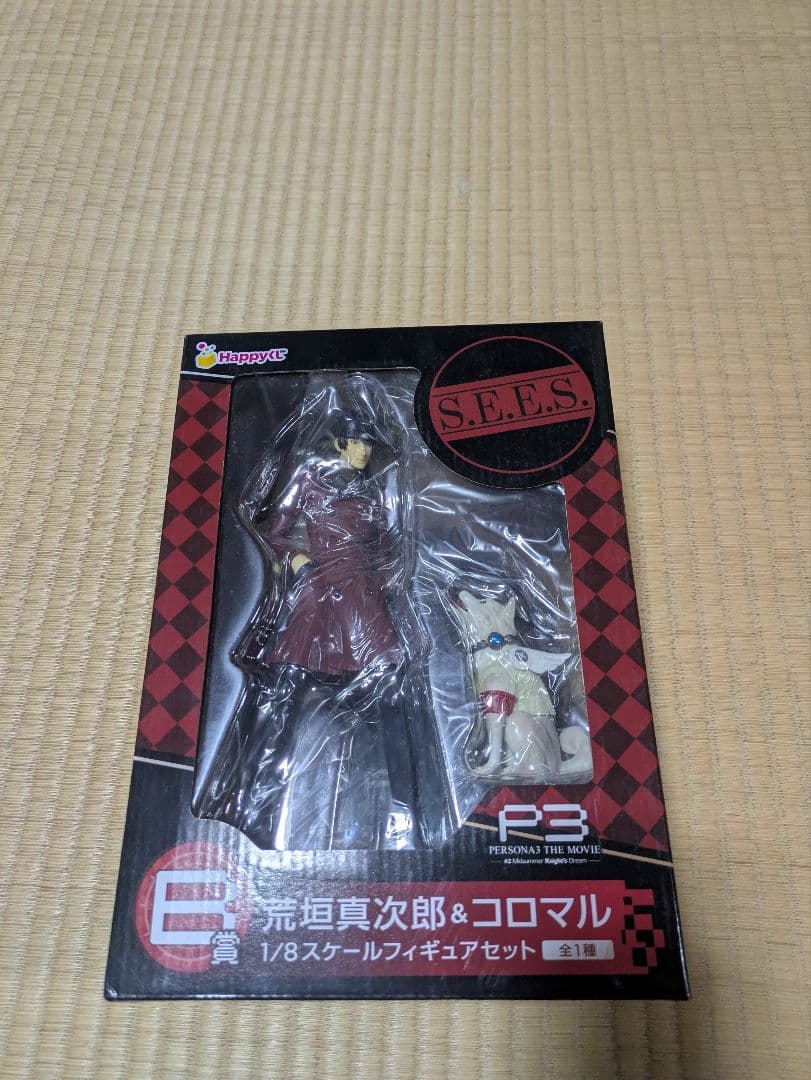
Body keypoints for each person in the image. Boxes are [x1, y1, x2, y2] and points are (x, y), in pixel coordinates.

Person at [203, 410, 420, 849]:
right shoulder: (311, 480)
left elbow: (388, 544)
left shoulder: (373, 490)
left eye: (369, 444)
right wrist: (299, 562)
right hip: (320, 593)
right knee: (286, 691)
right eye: (356, 442)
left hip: (362, 596)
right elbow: (274, 532)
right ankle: (245, 802)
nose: (364, 451)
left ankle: (402, 807)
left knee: (388, 689)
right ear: (339, 444)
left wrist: (383, 582)